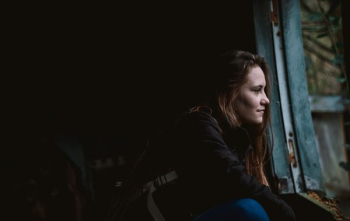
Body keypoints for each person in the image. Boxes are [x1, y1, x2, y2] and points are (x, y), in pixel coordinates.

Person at [107, 50, 296, 221]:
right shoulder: (197, 124)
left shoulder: (234, 138)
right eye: (256, 90)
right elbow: (233, 177)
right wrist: (284, 210)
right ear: (229, 92)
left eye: (264, 90)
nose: (266, 99)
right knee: (249, 210)